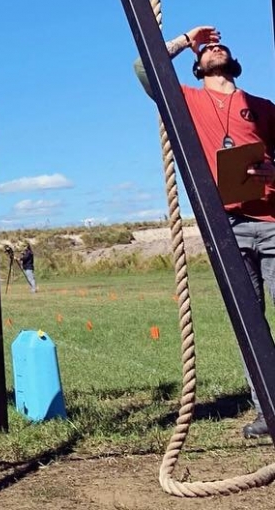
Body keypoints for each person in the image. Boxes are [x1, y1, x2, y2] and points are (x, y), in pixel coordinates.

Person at [134, 25, 275, 438]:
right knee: (250, 323)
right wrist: (186, 38)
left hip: (270, 221)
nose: (214, 48)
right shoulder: (188, 101)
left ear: (234, 62)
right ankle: (268, 409)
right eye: (207, 48)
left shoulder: (263, 107)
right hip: (225, 225)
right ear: (197, 65)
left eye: (219, 46)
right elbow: (145, 68)